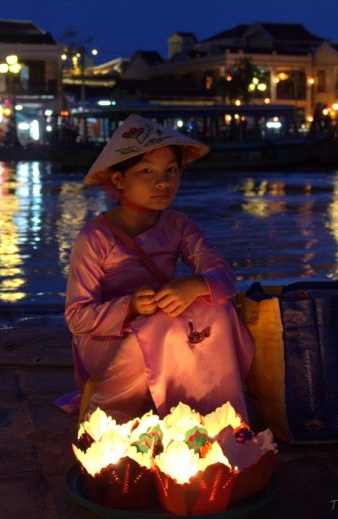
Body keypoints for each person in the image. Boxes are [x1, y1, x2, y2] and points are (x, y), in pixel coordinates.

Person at [56, 114, 254, 423]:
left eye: (171, 170)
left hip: (165, 327)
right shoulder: (95, 237)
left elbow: (223, 277)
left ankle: (219, 416)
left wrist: (194, 285)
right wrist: (131, 307)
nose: (163, 182)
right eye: (146, 171)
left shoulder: (178, 225)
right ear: (119, 179)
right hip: (109, 343)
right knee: (165, 328)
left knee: (218, 309)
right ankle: (179, 418)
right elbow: (77, 317)